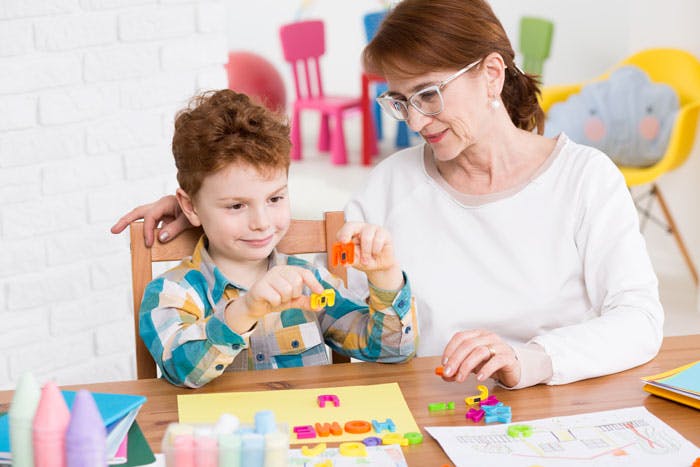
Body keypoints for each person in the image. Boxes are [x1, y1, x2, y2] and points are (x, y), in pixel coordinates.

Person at [112, 0, 663, 390]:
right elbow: (296, 241)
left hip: (560, 404)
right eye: (400, 101)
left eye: (428, 94)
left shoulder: (585, 178)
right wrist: (200, 208)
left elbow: (638, 320)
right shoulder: (391, 183)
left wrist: (532, 359)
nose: (416, 120)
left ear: (492, 75)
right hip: (430, 418)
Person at [135, 89, 416, 388]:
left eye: (275, 198)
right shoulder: (172, 293)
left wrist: (385, 276)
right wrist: (245, 310)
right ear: (190, 206)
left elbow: (391, 351)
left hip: (308, 431)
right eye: (236, 206)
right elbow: (182, 369)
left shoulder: (310, 282)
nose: (261, 223)